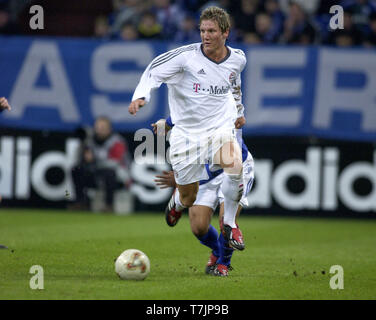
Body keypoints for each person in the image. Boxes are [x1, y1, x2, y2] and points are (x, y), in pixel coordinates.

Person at [128, 6, 247, 251]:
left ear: (225, 32)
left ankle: (229, 223)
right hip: (186, 135)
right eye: (203, 30)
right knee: (189, 197)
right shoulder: (185, 57)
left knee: (234, 163)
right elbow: (154, 70)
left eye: (211, 30)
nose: (205, 35)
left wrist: (239, 112)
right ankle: (177, 202)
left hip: (218, 129)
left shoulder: (238, 58)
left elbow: (234, 85)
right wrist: (141, 96)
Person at [153, 117, 254, 276]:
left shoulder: (224, 114)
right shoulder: (184, 124)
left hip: (234, 170)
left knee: (226, 220)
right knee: (199, 227)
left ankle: (223, 264)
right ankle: (181, 199)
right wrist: (183, 180)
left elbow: (234, 158)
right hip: (206, 172)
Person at [69, 116, 131, 212]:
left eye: (103, 128)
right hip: (97, 173)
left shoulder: (117, 141)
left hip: (118, 176)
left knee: (109, 173)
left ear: (109, 129)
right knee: (76, 169)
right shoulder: (89, 141)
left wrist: (94, 160)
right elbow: (80, 160)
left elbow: (115, 163)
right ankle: (81, 202)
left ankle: (109, 205)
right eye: (97, 128)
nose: (99, 130)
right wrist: (85, 158)